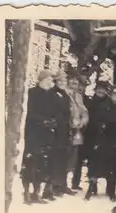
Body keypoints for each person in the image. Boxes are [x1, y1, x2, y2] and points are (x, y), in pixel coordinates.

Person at [84, 84, 116, 202]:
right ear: (110, 94)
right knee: (96, 164)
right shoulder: (102, 106)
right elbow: (96, 121)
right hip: (103, 139)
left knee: (113, 166)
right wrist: (102, 127)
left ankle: (111, 190)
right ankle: (92, 187)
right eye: (114, 94)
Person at [20, 70, 57, 204]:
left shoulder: (52, 96)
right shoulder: (31, 93)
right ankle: (26, 193)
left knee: (42, 164)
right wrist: (43, 121)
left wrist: (53, 121)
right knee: (30, 163)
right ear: (41, 80)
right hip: (33, 133)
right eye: (47, 79)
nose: (50, 82)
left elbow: (56, 113)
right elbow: (29, 112)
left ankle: (36, 193)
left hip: (46, 135)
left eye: (51, 80)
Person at [76, 80, 110, 195]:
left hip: (102, 135)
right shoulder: (89, 102)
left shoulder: (108, 103)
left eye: (103, 89)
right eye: (99, 88)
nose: (101, 91)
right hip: (89, 134)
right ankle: (78, 182)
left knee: (97, 160)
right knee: (84, 159)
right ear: (95, 89)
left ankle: (93, 184)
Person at [44, 70, 75, 199]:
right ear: (56, 81)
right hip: (55, 131)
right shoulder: (51, 94)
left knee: (63, 158)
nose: (62, 83)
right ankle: (50, 187)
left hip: (64, 131)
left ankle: (60, 184)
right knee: (53, 158)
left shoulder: (66, 95)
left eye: (64, 81)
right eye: (60, 81)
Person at [66, 74, 89, 184]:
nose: (73, 84)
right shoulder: (64, 94)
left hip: (76, 130)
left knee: (72, 156)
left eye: (76, 82)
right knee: (63, 155)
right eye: (71, 82)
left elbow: (84, 112)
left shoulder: (79, 97)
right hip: (65, 128)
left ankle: (65, 183)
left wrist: (82, 121)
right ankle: (57, 185)